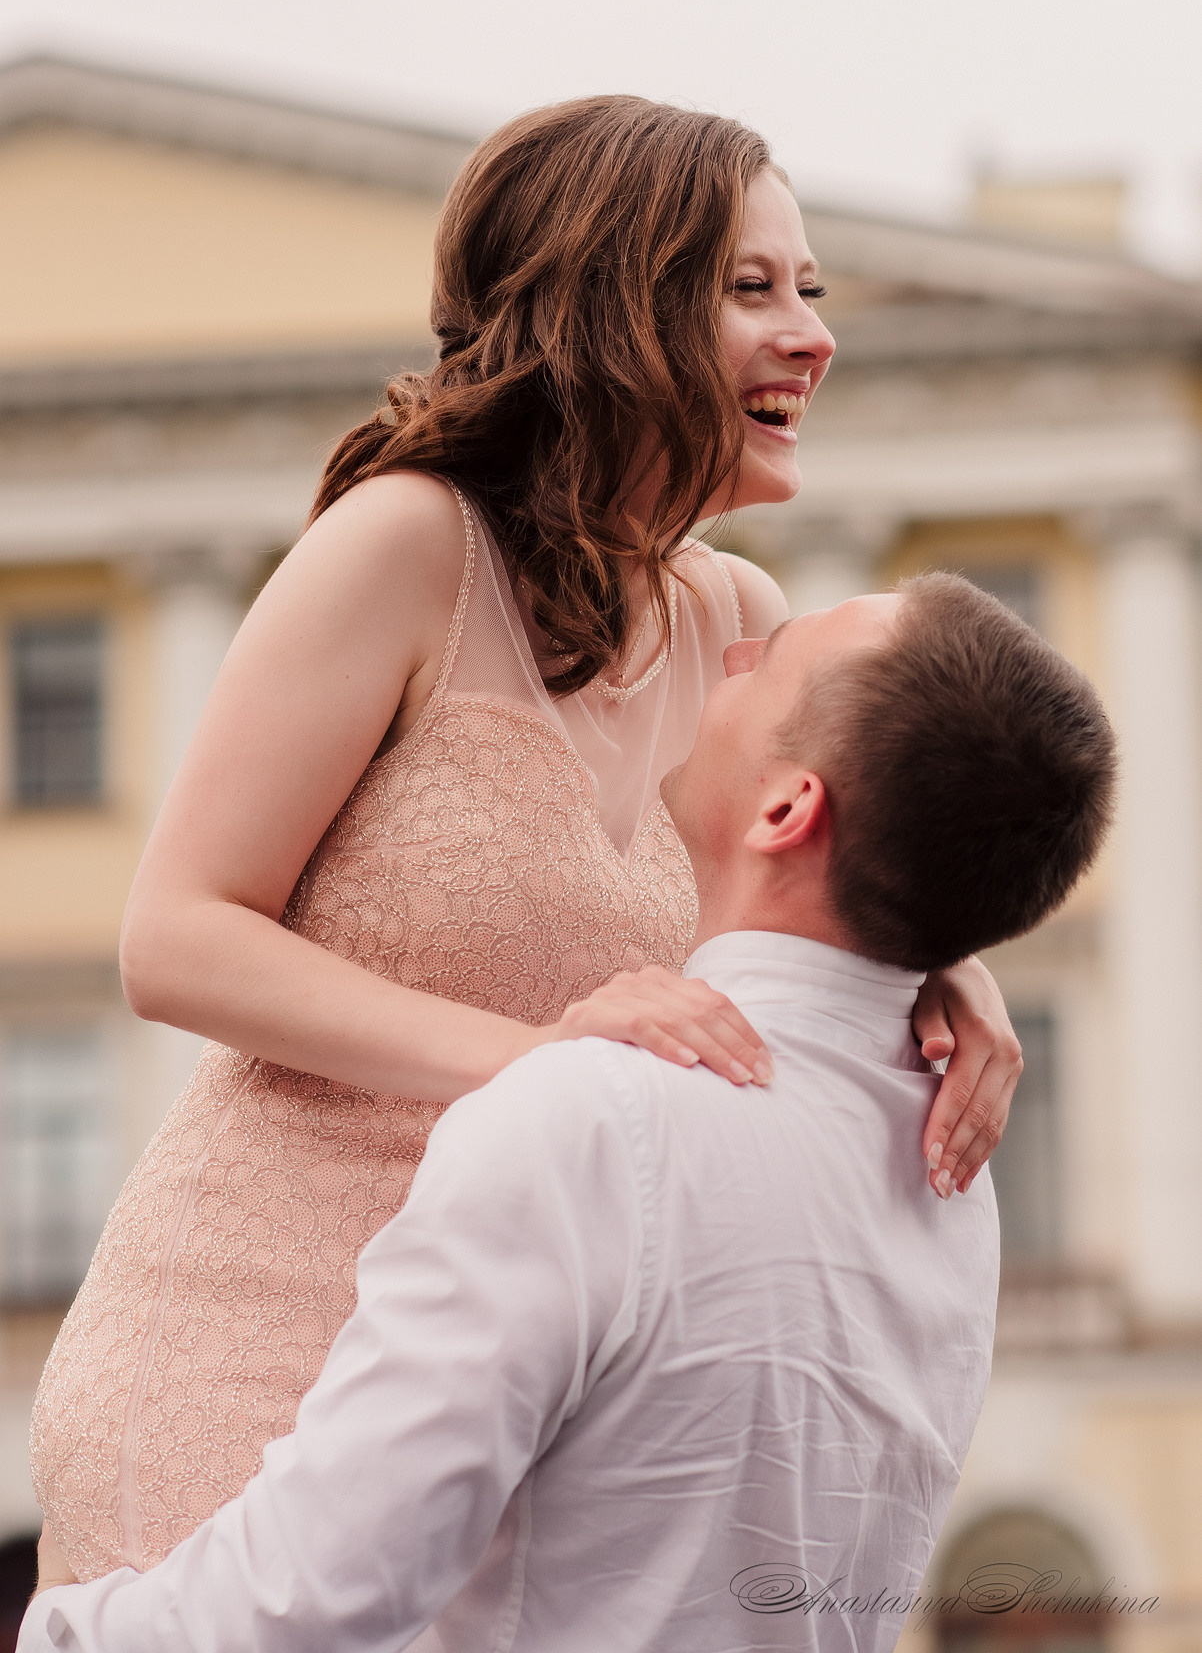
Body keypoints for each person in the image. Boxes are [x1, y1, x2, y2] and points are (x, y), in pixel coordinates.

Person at [30, 97, 1024, 1586]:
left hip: (526, 1367)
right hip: (243, 1344)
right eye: (752, 289)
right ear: (613, 304)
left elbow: (818, 862)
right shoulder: (403, 546)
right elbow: (174, 940)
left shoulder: (746, 622)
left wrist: (943, 965)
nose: (812, 336)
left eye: (808, 291)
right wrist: (551, 1060)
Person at [20, 574, 1117, 1653]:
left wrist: (68, 1625)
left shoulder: (589, 1122)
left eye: (771, 660)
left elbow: (318, 1595)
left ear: (789, 808)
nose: (734, 650)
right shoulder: (949, 1174)